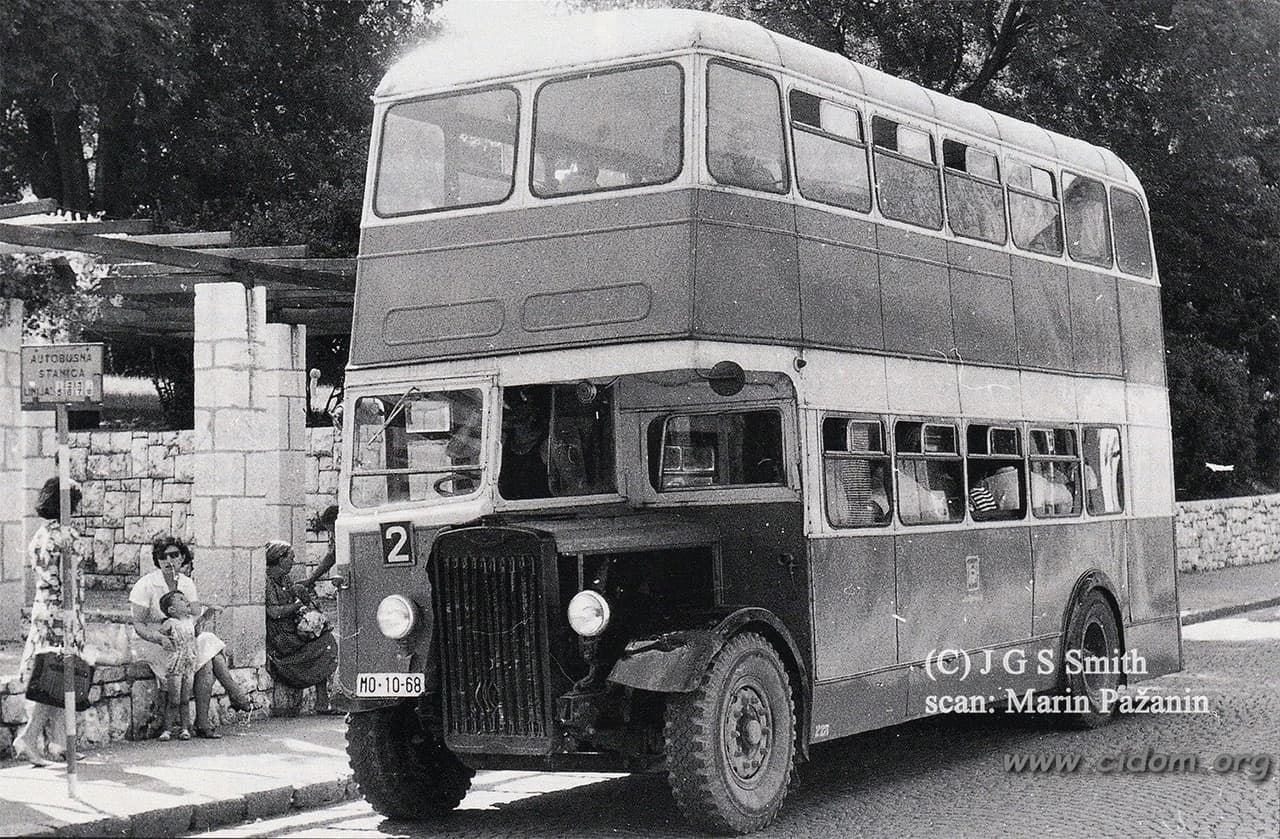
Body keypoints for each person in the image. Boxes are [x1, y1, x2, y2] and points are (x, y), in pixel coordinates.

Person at [129, 536, 251, 739]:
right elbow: (138, 624)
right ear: (157, 560)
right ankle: (233, 696)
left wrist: (206, 615)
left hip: (182, 641)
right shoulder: (146, 584)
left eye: (174, 555)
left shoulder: (186, 584)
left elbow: (191, 625)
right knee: (207, 657)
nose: (169, 561)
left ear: (182, 557)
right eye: (162, 557)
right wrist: (159, 638)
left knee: (207, 650)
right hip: (154, 642)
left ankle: (204, 720)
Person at [13, 478, 85, 766]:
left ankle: (58, 742)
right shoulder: (68, 536)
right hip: (63, 613)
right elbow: (70, 581)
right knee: (56, 678)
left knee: (52, 675)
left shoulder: (40, 535)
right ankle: (29, 737)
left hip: (43, 610)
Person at [264, 541, 339, 713]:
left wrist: (303, 600)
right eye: (290, 558)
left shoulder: (284, 578)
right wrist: (298, 605)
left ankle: (323, 700)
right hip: (281, 636)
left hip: (290, 629)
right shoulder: (268, 582)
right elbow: (274, 612)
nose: (293, 561)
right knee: (324, 644)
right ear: (280, 559)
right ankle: (322, 700)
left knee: (325, 638)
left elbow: (294, 597)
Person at [157, 591, 196, 741]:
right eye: (181, 599)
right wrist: (165, 640)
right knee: (174, 699)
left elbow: (199, 625)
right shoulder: (170, 623)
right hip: (176, 662)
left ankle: (185, 728)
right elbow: (159, 634)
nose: (186, 601)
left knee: (185, 699)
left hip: (189, 663)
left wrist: (210, 611)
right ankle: (167, 729)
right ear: (171, 609)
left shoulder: (190, 621)